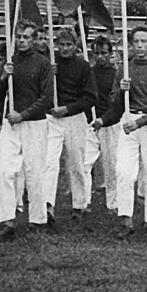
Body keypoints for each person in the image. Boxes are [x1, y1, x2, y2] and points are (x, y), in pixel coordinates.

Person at [0, 20, 55, 242]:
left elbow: (46, 98)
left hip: (34, 123)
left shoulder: (42, 63)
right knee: (3, 170)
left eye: (26, 37)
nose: (22, 41)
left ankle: (38, 219)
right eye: (18, 37)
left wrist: (23, 115)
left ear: (34, 40)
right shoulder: (9, 62)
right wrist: (3, 77)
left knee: (34, 171)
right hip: (10, 123)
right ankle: (7, 220)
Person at [107, 25, 147, 239]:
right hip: (129, 118)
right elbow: (114, 103)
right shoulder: (124, 69)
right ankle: (125, 218)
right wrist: (121, 92)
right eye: (136, 41)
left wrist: (141, 122)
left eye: (144, 41)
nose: (140, 46)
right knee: (124, 171)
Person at [44, 28, 99, 222]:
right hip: (52, 118)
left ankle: (79, 204)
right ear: (56, 45)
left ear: (75, 45)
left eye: (69, 45)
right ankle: (47, 205)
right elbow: (40, 91)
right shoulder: (51, 63)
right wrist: (49, 76)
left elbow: (91, 97)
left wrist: (67, 109)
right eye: (61, 44)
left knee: (76, 162)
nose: (65, 49)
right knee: (49, 162)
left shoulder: (83, 66)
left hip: (75, 118)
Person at [89, 35, 120, 214]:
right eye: (97, 53)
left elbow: (116, 102)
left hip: (110, 122)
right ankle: (83, 201)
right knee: (85, 162)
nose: (100, 57)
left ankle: (113, 203)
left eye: (104, 53)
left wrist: (107, 118)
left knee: (111, 164)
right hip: (92, 121)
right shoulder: (90, 72)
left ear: (110, 54)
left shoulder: (116, 74)